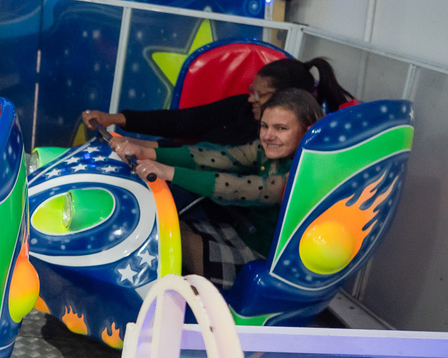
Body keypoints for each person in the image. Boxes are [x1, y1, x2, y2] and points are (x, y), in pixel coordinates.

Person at [114, 88, 324, 288]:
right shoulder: (265, 149)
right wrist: (147, 152)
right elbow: (216, 157)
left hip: (265, 260)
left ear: (308, 132)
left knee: (165, 243)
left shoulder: (303, 174)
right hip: (243, 235)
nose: (268, 135)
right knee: (163, 228)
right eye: (264, 126)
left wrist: (168, 172)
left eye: (281, 128)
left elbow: (238, 188)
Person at [81, 56, 352, 148]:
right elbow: (186, 123)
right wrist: (116, 121)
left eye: (261, 95)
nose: (251, 99)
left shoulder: (272, 141)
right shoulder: (243, 108)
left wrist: (138, 147)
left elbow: (209, 162)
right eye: (251, 90)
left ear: (290, 99)